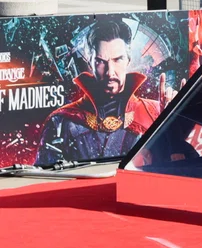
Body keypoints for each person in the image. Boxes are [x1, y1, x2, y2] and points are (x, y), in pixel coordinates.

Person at [35, 18, 173, 164]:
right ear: (90, 63)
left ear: (128, 61)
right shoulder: (61, 121)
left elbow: (175, 166)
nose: (110, 72)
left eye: (117, 59)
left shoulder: (155, 112)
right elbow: (46, 179)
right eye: (100, 61)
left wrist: (174, 122)